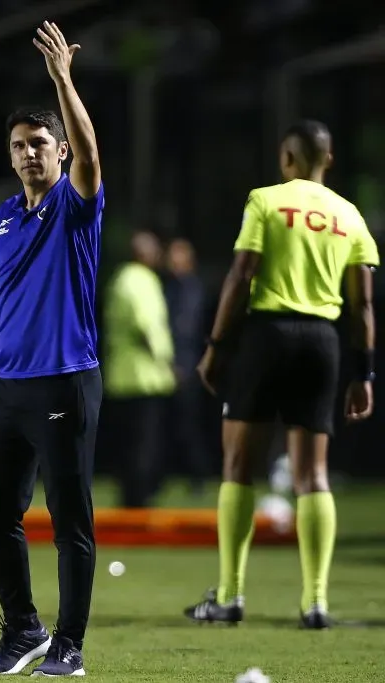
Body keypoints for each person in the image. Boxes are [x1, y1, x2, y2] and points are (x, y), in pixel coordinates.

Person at [0, 21, 103, 677]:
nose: (29, 153)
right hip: (6, 387)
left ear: (59, 152)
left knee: (69, 522)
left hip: (65, 380)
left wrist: (63, 79)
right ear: (9, 157)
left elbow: (94, 160)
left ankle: (70, 643)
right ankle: (25, 629)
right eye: (19, 145)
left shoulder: (74, 205)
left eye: (40, 143)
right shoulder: (7, 216)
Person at [184, 120, 378, 629]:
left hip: (267, 336)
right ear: (328, 160)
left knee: (238, 467)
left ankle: (230, 597)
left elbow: (241, 274)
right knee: (312, 474)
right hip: (322, 343)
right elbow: (363, 307)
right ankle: (315, 603)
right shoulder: (350, 214)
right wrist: (364, 373)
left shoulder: (266, 201)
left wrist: (216, 347)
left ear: (285, 159)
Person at [102, 231, 176, 508]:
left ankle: (130, 496)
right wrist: (166, 362)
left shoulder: (120, 279)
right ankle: (138, 501)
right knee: (144, 444)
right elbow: (145, 325)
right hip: (143, 377)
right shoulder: (140, 280)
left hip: (122, 375)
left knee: (127, 442)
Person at [163, 238, 211, 496]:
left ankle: (198, 477)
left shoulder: (190, 288)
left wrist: (180, 363)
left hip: (185, 362)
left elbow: (186, 328)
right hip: (172, 362)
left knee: (188, 424)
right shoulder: (171, 286)